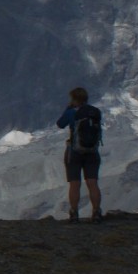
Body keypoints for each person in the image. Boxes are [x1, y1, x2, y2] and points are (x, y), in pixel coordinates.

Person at [55, 86, 104, 223]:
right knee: (92, 182)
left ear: (74, 99)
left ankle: (74, 213)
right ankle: (96, 212)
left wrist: (68, 109)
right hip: (92, 152)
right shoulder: (95, 112)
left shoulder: (71, 112)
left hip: (74, 151)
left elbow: (60, 124)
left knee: (75, 184)